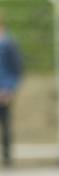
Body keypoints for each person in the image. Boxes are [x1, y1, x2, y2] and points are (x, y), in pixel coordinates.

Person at [0, 11, 23, 167]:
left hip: (3, 91)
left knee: (5, 124)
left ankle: (7, 157)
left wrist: (9, 88)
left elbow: (16, 68)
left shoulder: (8, 43)